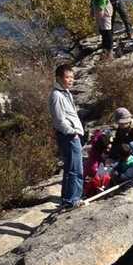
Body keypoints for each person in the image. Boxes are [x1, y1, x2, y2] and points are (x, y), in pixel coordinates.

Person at [48, 62, 84, 209]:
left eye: (72, 77)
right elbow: (59, 120)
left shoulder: (66, 93)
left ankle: (67, 198)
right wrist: (72, 132)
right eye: (67, 77)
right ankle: (73, 199)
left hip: (71, 134)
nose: (71, 80)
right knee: (75, 168)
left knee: (71, 167)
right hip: (68, 135)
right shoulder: (56, 95)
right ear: (58, 78)